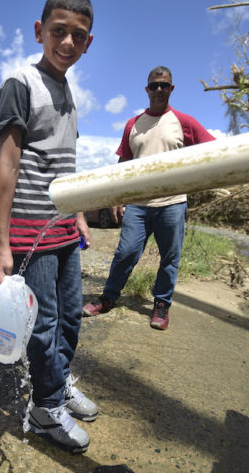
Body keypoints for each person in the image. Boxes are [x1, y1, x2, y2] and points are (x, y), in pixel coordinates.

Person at [0, 0, 96, 454]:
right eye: (59, 31)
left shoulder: (70, 91)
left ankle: (58, 383)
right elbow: (8, 164)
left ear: (88, 42)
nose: (67, 42)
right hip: (31, 236)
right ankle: (45, 407)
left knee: (71, 316)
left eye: (78, 35)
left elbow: (65, 165)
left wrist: (79, 216)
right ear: (40, 31)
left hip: (64, 231)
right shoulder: (21, 82)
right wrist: (1, 245)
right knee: (45, 322)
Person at [82, 66, 216, 330]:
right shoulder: (133, 125)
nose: (159, 90)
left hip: (172, 203)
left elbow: (211, 149)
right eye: (154, 85)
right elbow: (123, 163)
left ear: (171, 89)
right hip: (138, 205)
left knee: (170, 258)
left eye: (164, 85)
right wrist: (115, 198)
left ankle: (161, 305)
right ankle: (108, 298)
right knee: (125, 253)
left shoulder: (184, 122)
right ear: (147, 89)